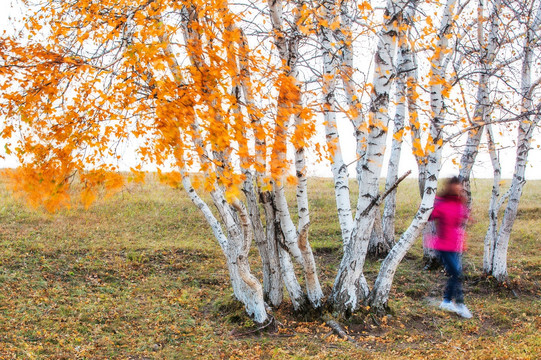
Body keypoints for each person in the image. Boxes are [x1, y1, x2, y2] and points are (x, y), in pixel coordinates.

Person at [429, 176, 473, 319]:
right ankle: (460, 304)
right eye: (456, 185)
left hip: (455, 244)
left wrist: (469, 217)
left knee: (455, 273)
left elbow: (462, 217)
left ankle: (447, 301)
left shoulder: (460, 203)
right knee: (457, 272)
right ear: (450, 186)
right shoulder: (440, 202)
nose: (459, 188)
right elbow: (430, 216)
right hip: (442, 245)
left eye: (460, 185)